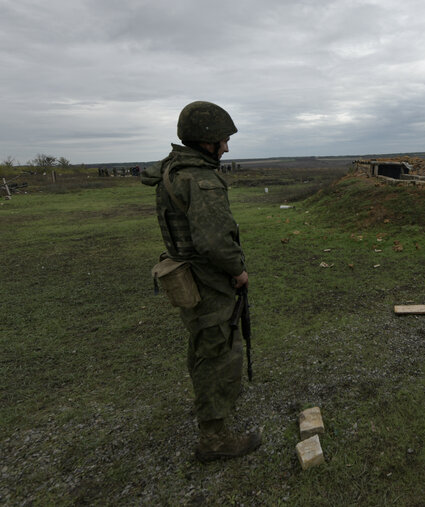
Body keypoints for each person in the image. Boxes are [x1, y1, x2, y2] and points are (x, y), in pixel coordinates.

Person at [141, 101, 261, 462]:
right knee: (218, 353)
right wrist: (238, 271)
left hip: (188, 275)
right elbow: (214, 241)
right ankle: (214, 439)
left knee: (204, 345)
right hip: (208, 281)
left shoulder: (173, 170)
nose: (226, 147)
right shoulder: (201, 179)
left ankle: (212, 410)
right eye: (223, 140)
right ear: (205, 141)